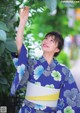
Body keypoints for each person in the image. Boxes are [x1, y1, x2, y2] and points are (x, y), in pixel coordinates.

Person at [10, 6, 80, 113]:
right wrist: (22, 21)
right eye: (46, 38)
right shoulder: (32, 63)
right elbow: (19, 47)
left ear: (57, 49)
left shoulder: (64, 71)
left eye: (52, 40)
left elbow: (73, 99)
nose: (46, 41)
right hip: (28, 110)